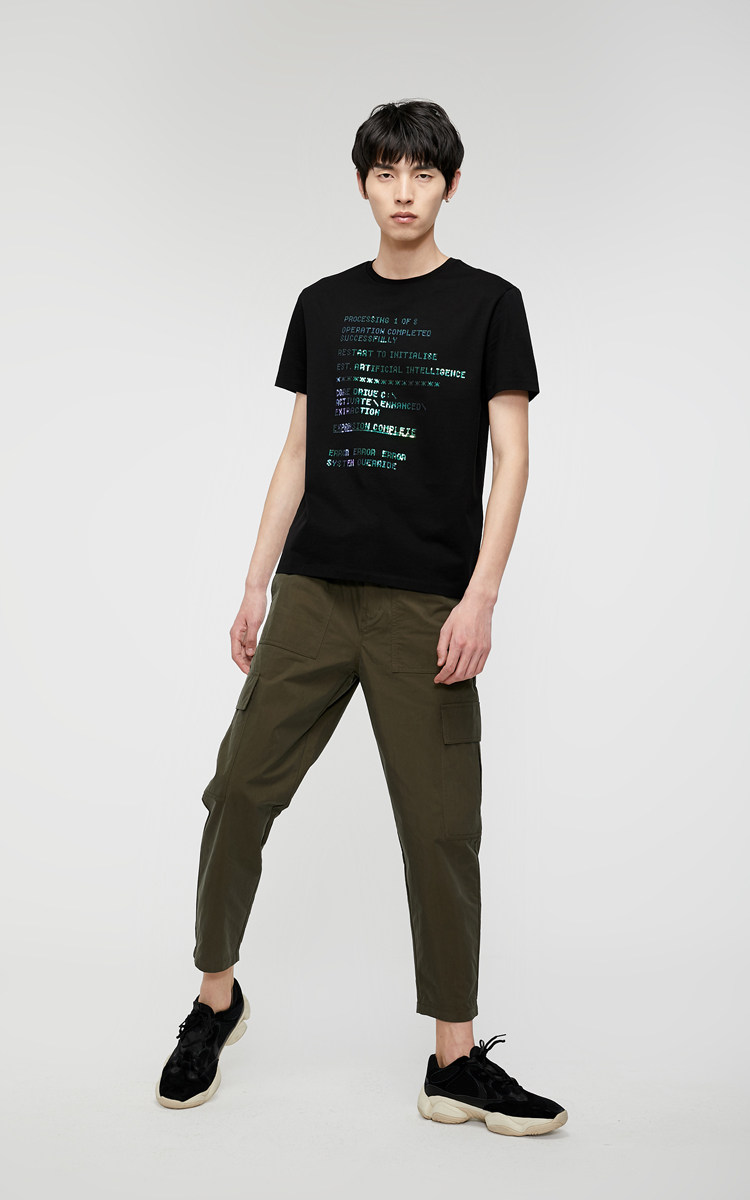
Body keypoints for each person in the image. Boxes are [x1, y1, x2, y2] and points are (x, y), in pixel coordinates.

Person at [155, 98, 568, 1137]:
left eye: (422, 174)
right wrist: (255, 582)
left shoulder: (491, 304)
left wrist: (481, 595)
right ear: (362, 185)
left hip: (427, 606)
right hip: (313, 591)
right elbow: (299, 450)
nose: (403, 192)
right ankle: (215, 1000)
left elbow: (513, 458)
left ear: (450, 186)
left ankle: (454, 1062)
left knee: (440, 828)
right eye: (386, 173)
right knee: (238, 792)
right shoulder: (324, 304)